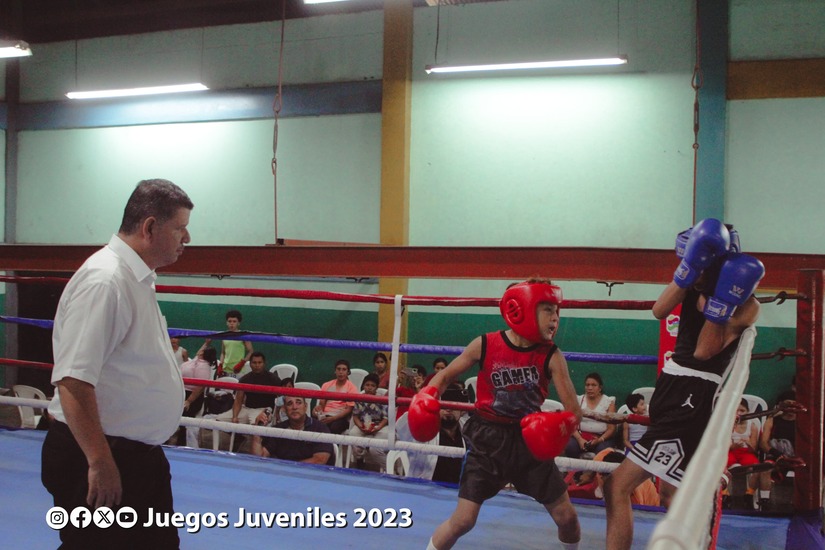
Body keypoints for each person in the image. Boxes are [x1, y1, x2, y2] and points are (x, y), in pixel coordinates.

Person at [41, 178, 193, 549]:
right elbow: (73, 381)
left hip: (134, 456)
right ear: (150, 227)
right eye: (180, 229)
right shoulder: (106, 281)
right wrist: (100, 462)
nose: (186, 239)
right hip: (102, 455)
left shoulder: (136, 278)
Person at [605, 218, 764, 550]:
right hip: (672, 388)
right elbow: (659, 310)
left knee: (617, 486)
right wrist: (688, 270)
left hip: (692, 397)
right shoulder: (694, 280)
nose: (698, 269)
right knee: (671, 495)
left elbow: (705, 352)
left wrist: (719, 303)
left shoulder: (747, 306)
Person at [415, 279, 582, 550]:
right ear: (523, 308)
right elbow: (444, 377)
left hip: (530, 441)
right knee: (463, 521)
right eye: (547, 310)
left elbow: (574, 410)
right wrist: (426, 395)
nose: (555, 319)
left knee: (568, 518)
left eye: (557, 311)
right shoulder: (486, 344)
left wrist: (560, 423)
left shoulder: (551, 355)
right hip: (488, 441)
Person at [216, 351, 282, 449]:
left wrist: (277, 414)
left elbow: (280, 398)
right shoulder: (245, 379)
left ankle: (259, 452)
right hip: (246, 408)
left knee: (257, 428)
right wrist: (235, 416)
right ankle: (239, 437)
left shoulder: (273, 379)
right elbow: (238, 400)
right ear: (250, 364)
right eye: (254, 363)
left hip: (263, 409)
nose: (257, 365)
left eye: (259, 363)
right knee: (218, 421)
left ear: (264, 364)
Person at [252, 396, 335, 465]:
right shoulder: (279, 429)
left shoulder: (320, 428)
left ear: (305, 406)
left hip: (313, 478)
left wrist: (288, 467)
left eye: (298, 402)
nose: (294, 407)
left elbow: (319, 460)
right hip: (283, 478)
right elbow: (259, 458)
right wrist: (257, 430)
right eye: (289, 404)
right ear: (285, 409)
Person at [756, 390, 798, 510]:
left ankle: (797, 503)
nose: (790, 408)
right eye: (787, 404)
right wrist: (777, 454)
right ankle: (765, 502)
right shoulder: (772, 420)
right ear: (781, 405)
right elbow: (763, 443)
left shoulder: (803, 422)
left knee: (805, 470)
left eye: (793, 404)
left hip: (795, 457)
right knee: (765, 467)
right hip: (775, 455)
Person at [565, 372, 616, 458]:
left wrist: (599, 440)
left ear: (600, 388)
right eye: (587, 385)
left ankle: (597, 472)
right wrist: (580, 439)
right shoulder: (578, 400)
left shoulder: (609, 402)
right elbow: (571, 424)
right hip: (580, 436)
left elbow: (611, 429)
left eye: (593, 385)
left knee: (603, 451)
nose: (590, 388)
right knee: (570, 446)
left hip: (602, 438)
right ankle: (574, 471)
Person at [176, 346, 217, 447]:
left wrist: (189, 401)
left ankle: (183, 445)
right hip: (182, 392)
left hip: (192, 396)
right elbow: (199, 351)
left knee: (185, 422)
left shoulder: (204, 366)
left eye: (203, 351)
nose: (200, 351)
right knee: (178, 419)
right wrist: (207, 343)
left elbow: (200, 387)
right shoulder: (196, 360)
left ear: (205, 354)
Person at [347, 373, 390, 471]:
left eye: (373, 386)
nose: (370, 388)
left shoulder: (382, 398)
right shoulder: (359, 398)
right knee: (353, 434)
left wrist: (378, 427)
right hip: (363, 425)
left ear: (377, 388)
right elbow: (355, 416)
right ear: (363, 386)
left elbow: (385, 418)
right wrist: (361, 426)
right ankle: (359, 459)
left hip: (380, 426)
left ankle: (390, 468)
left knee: (375, 447)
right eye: (367, 385)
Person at [201, 309, 253, 378]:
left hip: (238, 370)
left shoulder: (243, 336)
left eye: (234, 321)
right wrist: (221, 365)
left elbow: (251, 351)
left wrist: (242, 363)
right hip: (225, 370)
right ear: (226, 322)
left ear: (238, 323)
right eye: (230, 321)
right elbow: (223, 352)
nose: (232, 323)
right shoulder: (224, 336)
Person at [314, 359, 359, 434]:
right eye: (338, 369)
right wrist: (317, 411)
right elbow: (321, 404)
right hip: (326, 415)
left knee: (333, 428)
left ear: (348, 372)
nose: (341, 372)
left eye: (344, 369)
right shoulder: (326, 385)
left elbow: (349, 409)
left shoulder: (352, 388)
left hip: (340, 418)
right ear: (335, 371)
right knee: (313, 424)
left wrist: (333, 418)